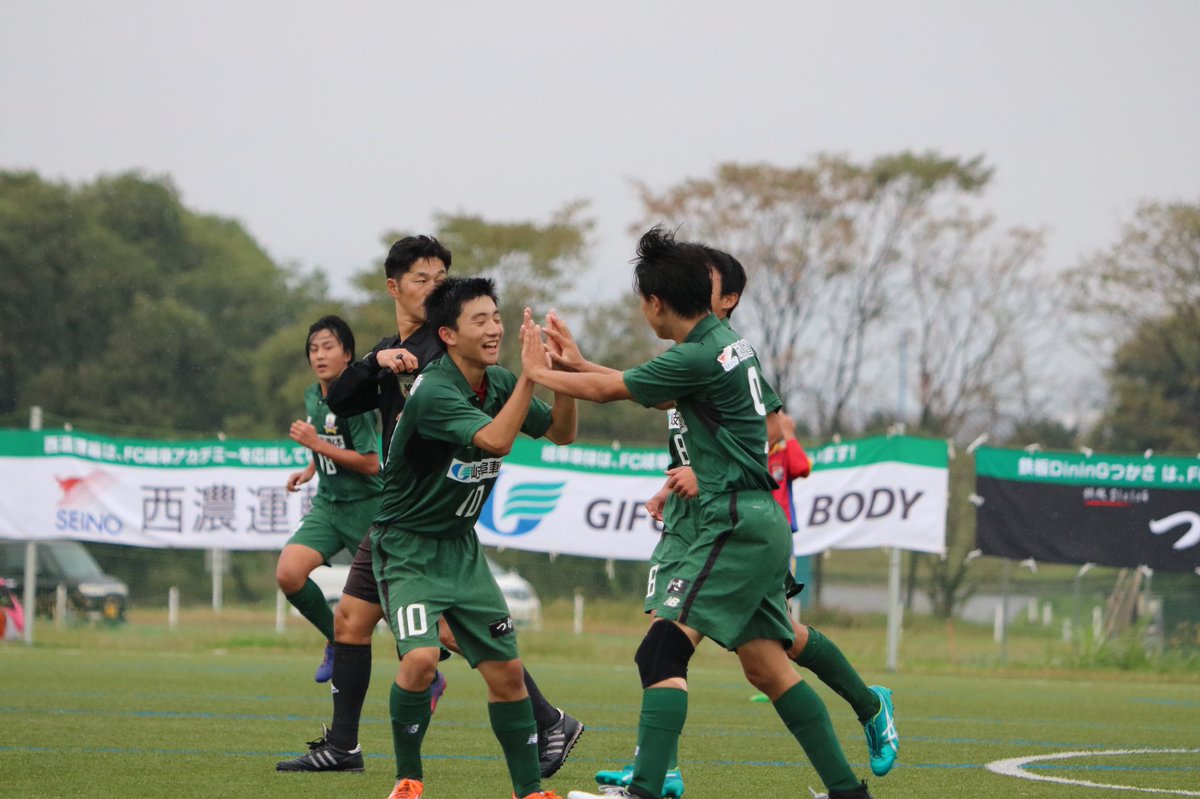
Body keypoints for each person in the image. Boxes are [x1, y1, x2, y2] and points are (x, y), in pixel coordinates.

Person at [521, 227, 877, 799]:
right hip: (753, 519)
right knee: (767, 664)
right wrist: (578, 362)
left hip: (732, 520)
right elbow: (645, 387)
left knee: (661, 649)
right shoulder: (719, 344)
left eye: (643, 302)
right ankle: (846, 791)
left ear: (656, 304)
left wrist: (537, 372)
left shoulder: (699, 353)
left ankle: (646, 789)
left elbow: (616, 392)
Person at [277, 236, 583, 778]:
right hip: (400, 516)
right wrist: (374, 360)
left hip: (418, 518)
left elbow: (506, 436)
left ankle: (536, 723)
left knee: (435, 641)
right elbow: (343, 399)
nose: (435, 285)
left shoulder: (453, 355)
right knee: (353, 620)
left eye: (442, 276)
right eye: (423, 277)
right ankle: (350, 746)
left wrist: (554, 376)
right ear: (395, 286)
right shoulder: (407, 349)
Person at [371, 275, 576, 799]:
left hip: (462, 550)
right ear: (447, 334)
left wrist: (561, 375)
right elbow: (493, 440)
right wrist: (531, 377)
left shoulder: (500, 382)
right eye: (478, 320)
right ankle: (407, 780)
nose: (493, 329)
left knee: (507, 674)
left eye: (496, 317)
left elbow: (562, 431)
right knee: (419, 660)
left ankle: (528, 791)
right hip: (408, 548)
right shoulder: (436, 390)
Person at [277, 315, 381, 683]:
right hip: (329, 505)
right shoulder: (312, 394)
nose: (319, 355)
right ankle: (335, 641)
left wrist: (316, 445)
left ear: (347, 355)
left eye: (328, 347)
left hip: (367, 510)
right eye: (313, 348)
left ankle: (426, 671)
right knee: (289, 574)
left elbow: (371, 463)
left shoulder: (358, 402)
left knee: (389, 603)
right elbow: (327, 441)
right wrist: (311, 466)